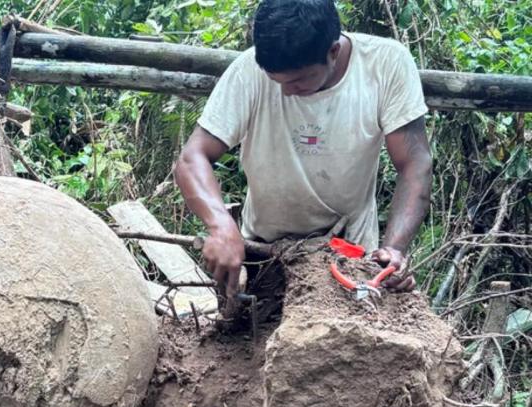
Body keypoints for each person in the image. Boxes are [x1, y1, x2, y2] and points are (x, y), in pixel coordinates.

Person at [174, 0, 432, 297]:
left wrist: (394, 249)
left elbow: (415, 164)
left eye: (298, 80)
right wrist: (220, 226)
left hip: (349, 254)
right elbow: (193, 157)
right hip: (263, 250)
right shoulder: (248, 71)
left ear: (333, 52)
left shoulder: (385, 65)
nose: (285, 91)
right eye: (276, 80)